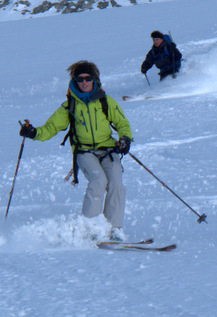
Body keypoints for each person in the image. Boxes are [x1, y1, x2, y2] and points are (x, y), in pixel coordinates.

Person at [19, 61, 133, 240]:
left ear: (94, 80)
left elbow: (122, 123)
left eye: (88, 78)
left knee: (116, 183)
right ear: (75, 81)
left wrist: (125, 139)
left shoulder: (105, 100)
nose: (84, 82)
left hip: (109, 150)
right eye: (80, 79)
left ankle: (114, 230)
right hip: (84, 152)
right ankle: (90, 230)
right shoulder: (69, 105)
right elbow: (51, 127)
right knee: (98, 180)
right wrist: (34, 133)